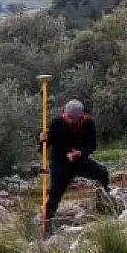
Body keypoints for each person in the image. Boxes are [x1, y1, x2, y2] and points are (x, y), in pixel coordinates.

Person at [42, 99, 110, 230]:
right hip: (60, 164)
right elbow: (46, 145)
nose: (68, 119)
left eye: (72, 118)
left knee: (102, 173)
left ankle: (103, 205)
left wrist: (80, 153)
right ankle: (46, 224)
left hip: (80, 162)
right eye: (67, 116)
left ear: (80, 117)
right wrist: (42, 139)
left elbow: (92, 146)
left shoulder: (88, 124)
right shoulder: (57, 123)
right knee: (55, 193)